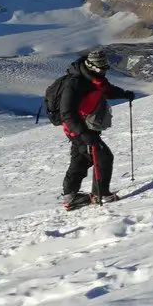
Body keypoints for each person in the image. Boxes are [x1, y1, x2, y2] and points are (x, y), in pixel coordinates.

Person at [60, 48, 135, 206]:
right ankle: (101, 195)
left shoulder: (95, 78)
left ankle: (70, 197)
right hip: (79, 129)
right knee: (104, 157)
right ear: (91, 66)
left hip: (87, 127)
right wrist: (83, 133)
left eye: (106, 67)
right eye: (101, 68)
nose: (104, 71)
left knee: (81, 159)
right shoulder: (76, 83)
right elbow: (67, 113)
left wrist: (124, 93)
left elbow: (107, 90)